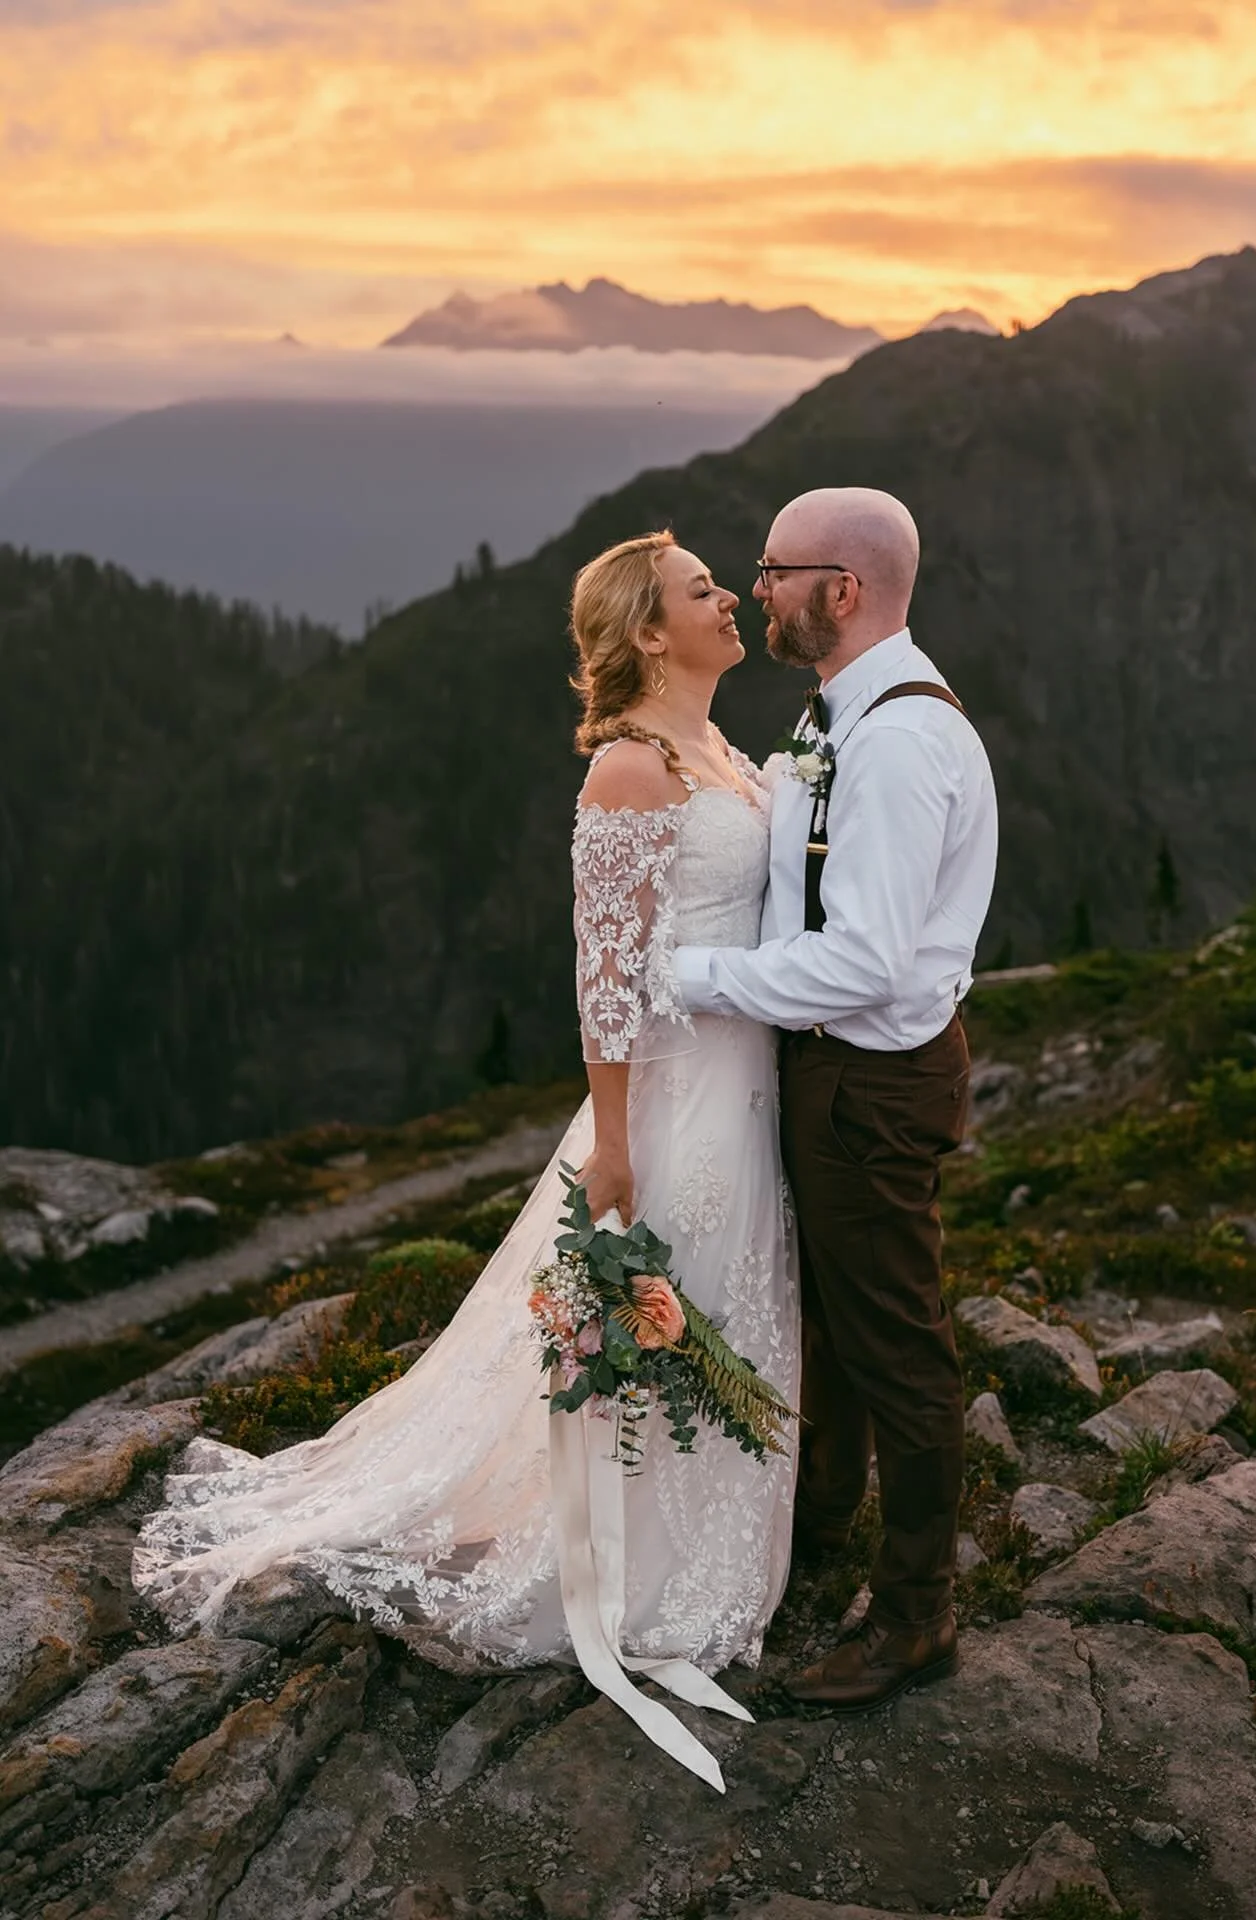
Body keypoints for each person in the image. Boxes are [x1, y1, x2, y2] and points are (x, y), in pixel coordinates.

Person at [132, 530, 800, 1792]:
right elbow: (606, 981)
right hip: (674, 1107)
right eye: (704, 591)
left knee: (726, 1309)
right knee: (668, 1316)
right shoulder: (628, 774)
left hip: (751, 1088)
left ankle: (698, 1542)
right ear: (651, 635)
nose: (730, 602)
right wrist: (613, 1147)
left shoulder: (724, 754)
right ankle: (619, 1562)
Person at [673, 486, 999, 1712]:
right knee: (838, 1333)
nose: (755, 588)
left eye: (773, 570)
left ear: (842, 591)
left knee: (897, 1346)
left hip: (868, 1079)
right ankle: (815, 1538)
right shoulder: (837, 714)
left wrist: (685, 978)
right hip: (829, 1070)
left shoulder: (901, 742)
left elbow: (862, 960)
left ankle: (916, 1615)